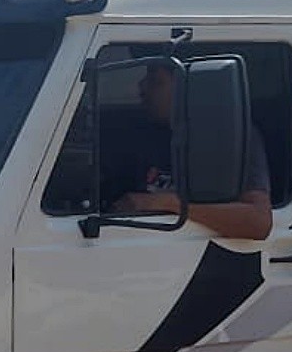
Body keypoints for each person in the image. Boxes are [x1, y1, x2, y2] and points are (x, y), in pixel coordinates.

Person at [108, 60, 274, 241]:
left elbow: (258, 222)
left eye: (156, 82)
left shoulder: (230, 134)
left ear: (190, 88)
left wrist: (167, 203)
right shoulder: (148, 133)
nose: (142, 87)